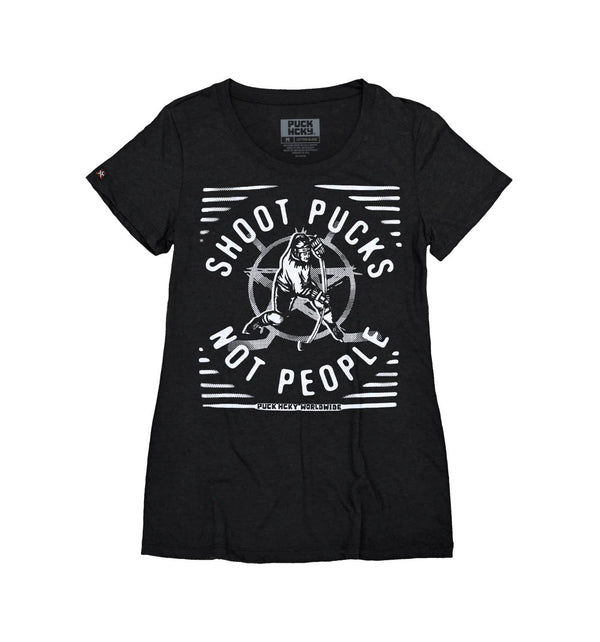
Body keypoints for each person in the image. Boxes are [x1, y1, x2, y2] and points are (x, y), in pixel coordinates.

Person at [242, 232, 344, 342]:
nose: (307, 255)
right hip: (285, 289)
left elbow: (302, 239)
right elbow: (299, 290)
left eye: (308, 251)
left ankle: (331, 325)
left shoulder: (300, 248)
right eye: (304, 252)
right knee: (279, 318)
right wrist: (318, 295)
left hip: (305, 283)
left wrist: (315, 243)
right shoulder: (291, 266)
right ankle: (260, 321)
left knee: (322, 305)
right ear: (295, 252)